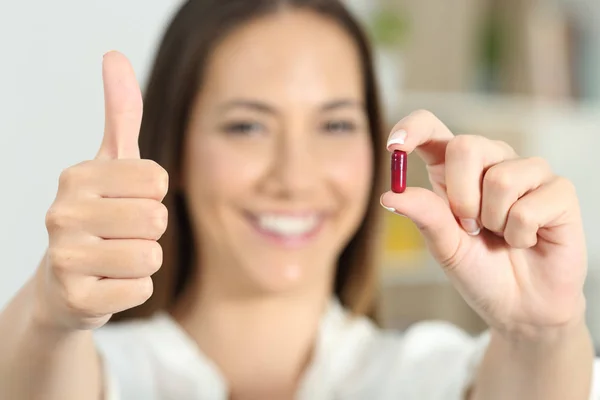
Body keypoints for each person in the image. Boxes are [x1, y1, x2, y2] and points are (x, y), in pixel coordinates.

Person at [0, 0, 598, 399]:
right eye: (246, 127)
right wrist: (49, 314)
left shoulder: (426, 376)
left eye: (335, 126)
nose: (294, 176)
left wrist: (543, 334)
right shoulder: (98, 371)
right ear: (174, 150)